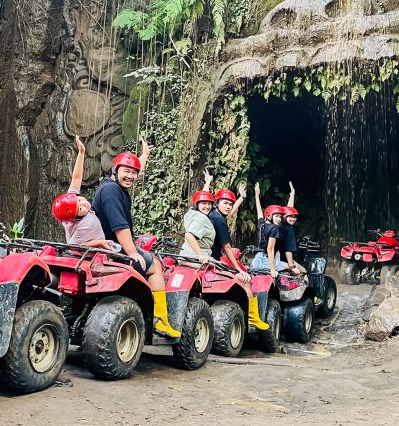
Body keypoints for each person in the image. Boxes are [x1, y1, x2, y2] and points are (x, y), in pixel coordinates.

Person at [91, 141, 180, 339]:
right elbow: (120, 227)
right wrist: (132, 253)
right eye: (126, 171)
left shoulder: (112, 185)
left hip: (107, 245)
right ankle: (160, 320)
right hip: (113, 249)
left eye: (134, 173)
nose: (131, 176)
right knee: (155, 265)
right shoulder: (112, 191)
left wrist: (144, 155)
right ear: (115, 170)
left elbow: (133, 167)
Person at [191, 175, 269, 331]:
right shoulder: (219, 220)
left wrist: (241, 198)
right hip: (213, 259)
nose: (228, 206)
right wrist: (239, 270)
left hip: (202, 256)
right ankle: (253, 318)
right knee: (246, 279)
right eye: (225, 203)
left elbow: (229, 212)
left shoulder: (210, 213)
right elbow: (227, 248)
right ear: (217, 203)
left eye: (230, 204)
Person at [51, 137, 113, 249]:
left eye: (79, 200)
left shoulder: (70, 206)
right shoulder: (85, 224)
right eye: (80, 209)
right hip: (91, 255)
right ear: (75, 218)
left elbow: (77, 178)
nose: (83, 203)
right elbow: (71, 247)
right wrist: (98, 243)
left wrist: (81, 152)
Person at [253, 182, 305, 277]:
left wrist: (256, 195)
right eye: (277, 216)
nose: (279, 219)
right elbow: (270, 249)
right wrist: (273, 269)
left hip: (257, 259)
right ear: (269, 216)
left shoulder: (262, 224)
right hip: (268, 261)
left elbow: (259, 212)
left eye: (280, 217)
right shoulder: (274, 228)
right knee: (303, 271)